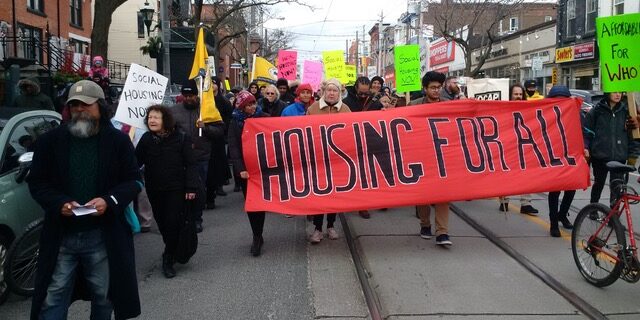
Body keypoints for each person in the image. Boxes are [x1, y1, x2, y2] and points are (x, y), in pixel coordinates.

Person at [27, 80, 142, 319]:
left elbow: (133, 181)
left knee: (103, 296)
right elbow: (37, 182)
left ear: (100, 106)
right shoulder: (50, 142)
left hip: (103, 234)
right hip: (62, 235)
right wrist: (59, 203)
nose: (80, 109)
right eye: (74, 104)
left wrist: (109, 200)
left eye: (86, 104)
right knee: (54, 296)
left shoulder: (118, 142)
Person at [136, 105, 199, 277]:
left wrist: (191, 187)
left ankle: (168, 257)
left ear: (165, 119)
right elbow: (135, 162)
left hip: (176, 189)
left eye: (156, 117)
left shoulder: (181, 138)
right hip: (155, 189)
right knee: (163, 224)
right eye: (150, 118)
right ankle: (171, 247)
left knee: (172, 222)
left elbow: (191, 164)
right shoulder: (147, 139)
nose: (152, 120)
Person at [171, 80, 225, 233]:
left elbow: (220, 130)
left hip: (201, 156)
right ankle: (185, 218)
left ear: (197, 95)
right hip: (180, 158)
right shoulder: (173, 111)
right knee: (182, 190)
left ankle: (197, 219)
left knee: (198, 190)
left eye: (192, 95)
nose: (188, 98)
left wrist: (206, 128)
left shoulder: (207, 110)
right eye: (185, 95)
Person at [306, 78, 351, 243]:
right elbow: (305, 132)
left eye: (335, 90)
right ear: (323, 92)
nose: (332, 93)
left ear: (340, 93)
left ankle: (331, 225)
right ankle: (317, 229)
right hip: (319, 159)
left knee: (334, 195)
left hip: (338, 160)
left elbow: (351, 132)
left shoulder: (345, 110)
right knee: (319, 195)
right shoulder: (313, 109)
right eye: (329, 90)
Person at [410, 71, 452, 246]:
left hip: (443, 156)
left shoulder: (449, 105)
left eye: (438, 87)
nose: (436, 91)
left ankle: (442, 232)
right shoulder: (413, 105)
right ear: (425, 88)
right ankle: (425, 224)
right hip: (421, 155)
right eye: (433, 88)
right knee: (423, 195)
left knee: (443, 195)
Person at [228, 91, 270, 256]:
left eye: (253, 103)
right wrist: (240, 169)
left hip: (263, 169)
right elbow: (233, 148)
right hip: (246, 171)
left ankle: (258, 234)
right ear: (241, 107)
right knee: (252, 205)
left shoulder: (265, 118)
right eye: (248, 105)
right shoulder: (234, 123)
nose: (252, 107)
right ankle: (257, 235)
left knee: (261, 204)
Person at [584, 91, 639, 208]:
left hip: (619, 157)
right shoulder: (597, 111)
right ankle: (592, 209)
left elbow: (633, 135)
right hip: (600, 156)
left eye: (620, 92)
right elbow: (587, 132)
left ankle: (613, 217)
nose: (618, 95)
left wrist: (633, 155)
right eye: (614, 92)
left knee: (617, 187)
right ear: (608, 93)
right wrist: (587, 149)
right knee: (598, 184)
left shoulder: (627, 111)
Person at [342, 76, 382, 219]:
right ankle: (353, 201)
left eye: (366, 93)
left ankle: (363, 205)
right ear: (356, 89)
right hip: (351, 143)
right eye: (361, 93)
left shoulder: (375, 103)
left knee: (367, 175)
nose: (364, 96)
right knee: (354, 174)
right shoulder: (346, 103)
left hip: (369, 142)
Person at [498, 84, 539, 215]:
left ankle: (526, 204)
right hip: (507, 146)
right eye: (515, 94)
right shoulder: (502, 108)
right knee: (506, 174)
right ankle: (504, 201)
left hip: (523, 146)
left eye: (520, 94)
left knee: (527, 175)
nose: (518, 97)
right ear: (510, 95)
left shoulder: (528, 109)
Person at [545, 86, 578, 237]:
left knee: (571, 187)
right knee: (555, 190)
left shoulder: (575, 114)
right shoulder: (545, 115)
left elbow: (584, 131)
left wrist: (585, 147)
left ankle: (562, 213)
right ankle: (553, 223)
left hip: (570, 156)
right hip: (553, 157)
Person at [206, 77, 233, 204]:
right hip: (206, 135)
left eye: (214, 83)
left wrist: (224, 130)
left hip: (219, 134)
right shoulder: (204, 100)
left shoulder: (224, 101)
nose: (212, 85)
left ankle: (219, 185)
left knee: (219, 160)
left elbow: (228, 117)